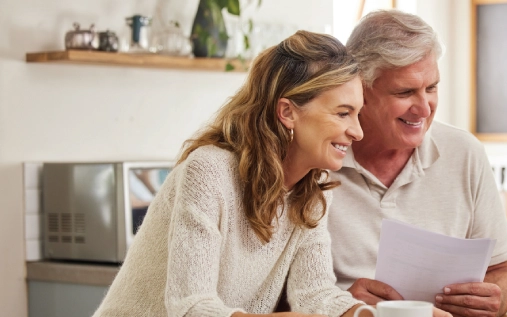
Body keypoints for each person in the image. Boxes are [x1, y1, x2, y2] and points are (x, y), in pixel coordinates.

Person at [93, 30, 369, 317]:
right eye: (342, 113)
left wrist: (373, 315)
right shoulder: (209, 173)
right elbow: (190, 307)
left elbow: (315, 293)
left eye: (358, 114)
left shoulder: (313, 187)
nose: (357, 132)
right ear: (287, 112)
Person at [327, 10, 507, 317]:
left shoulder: (464, 152)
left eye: (431, 88)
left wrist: (496, 300)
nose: (424, 108)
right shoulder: (318, 159)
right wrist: (338, 304)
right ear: (360, 90)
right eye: (405, 92)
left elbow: (502, 271)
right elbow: (272, 297)